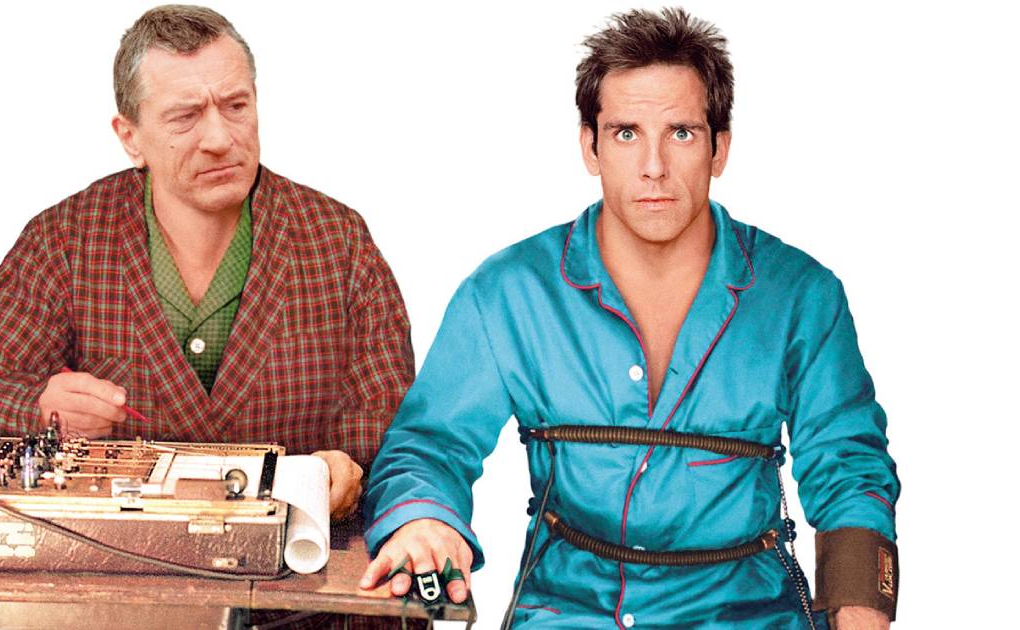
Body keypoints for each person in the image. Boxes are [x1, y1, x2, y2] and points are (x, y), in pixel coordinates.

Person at [361, 8, 899, 629]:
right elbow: (429, 445)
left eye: (681, 133)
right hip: (568, 613)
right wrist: (423, 519)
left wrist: (860, 611)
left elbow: (850, 467)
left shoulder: (803, 295)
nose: (653, 167)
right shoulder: (506, 293)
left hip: (748, 614)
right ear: (589, 147)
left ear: (720, 148)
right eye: (625, 134)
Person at [0, 2, 412, 557]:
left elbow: (400, 427)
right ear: (130, 137)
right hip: (118, 564)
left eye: (236, 106)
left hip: (298, 567)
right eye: (185, 117)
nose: (219, 138)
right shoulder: (65, 239)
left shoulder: (338, 240)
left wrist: (349, 471)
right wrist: (40, 408)